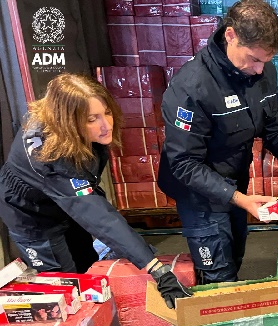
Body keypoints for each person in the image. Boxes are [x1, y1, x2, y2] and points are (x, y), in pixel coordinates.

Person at [0, 73, 191, 309]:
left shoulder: (71, 129)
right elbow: (100, 218)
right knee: (64, 286)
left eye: (107, 113)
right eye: (92, 119)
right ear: (68, 121)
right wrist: (156, 269)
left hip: (65, 204)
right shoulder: (50, 157)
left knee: (87, 266)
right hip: (31, 215)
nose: (106, 125)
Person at [159, 0, 278, 284]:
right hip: (198, 191)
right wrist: (240, 199)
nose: (260, 70)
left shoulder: (261, 70)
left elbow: (273, 126)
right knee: (219, 275)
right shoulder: (191, 87)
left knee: (236, 254)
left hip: (234, 177)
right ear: (230, 36)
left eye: (266, 61)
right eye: (254, 59)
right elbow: (183, 163)